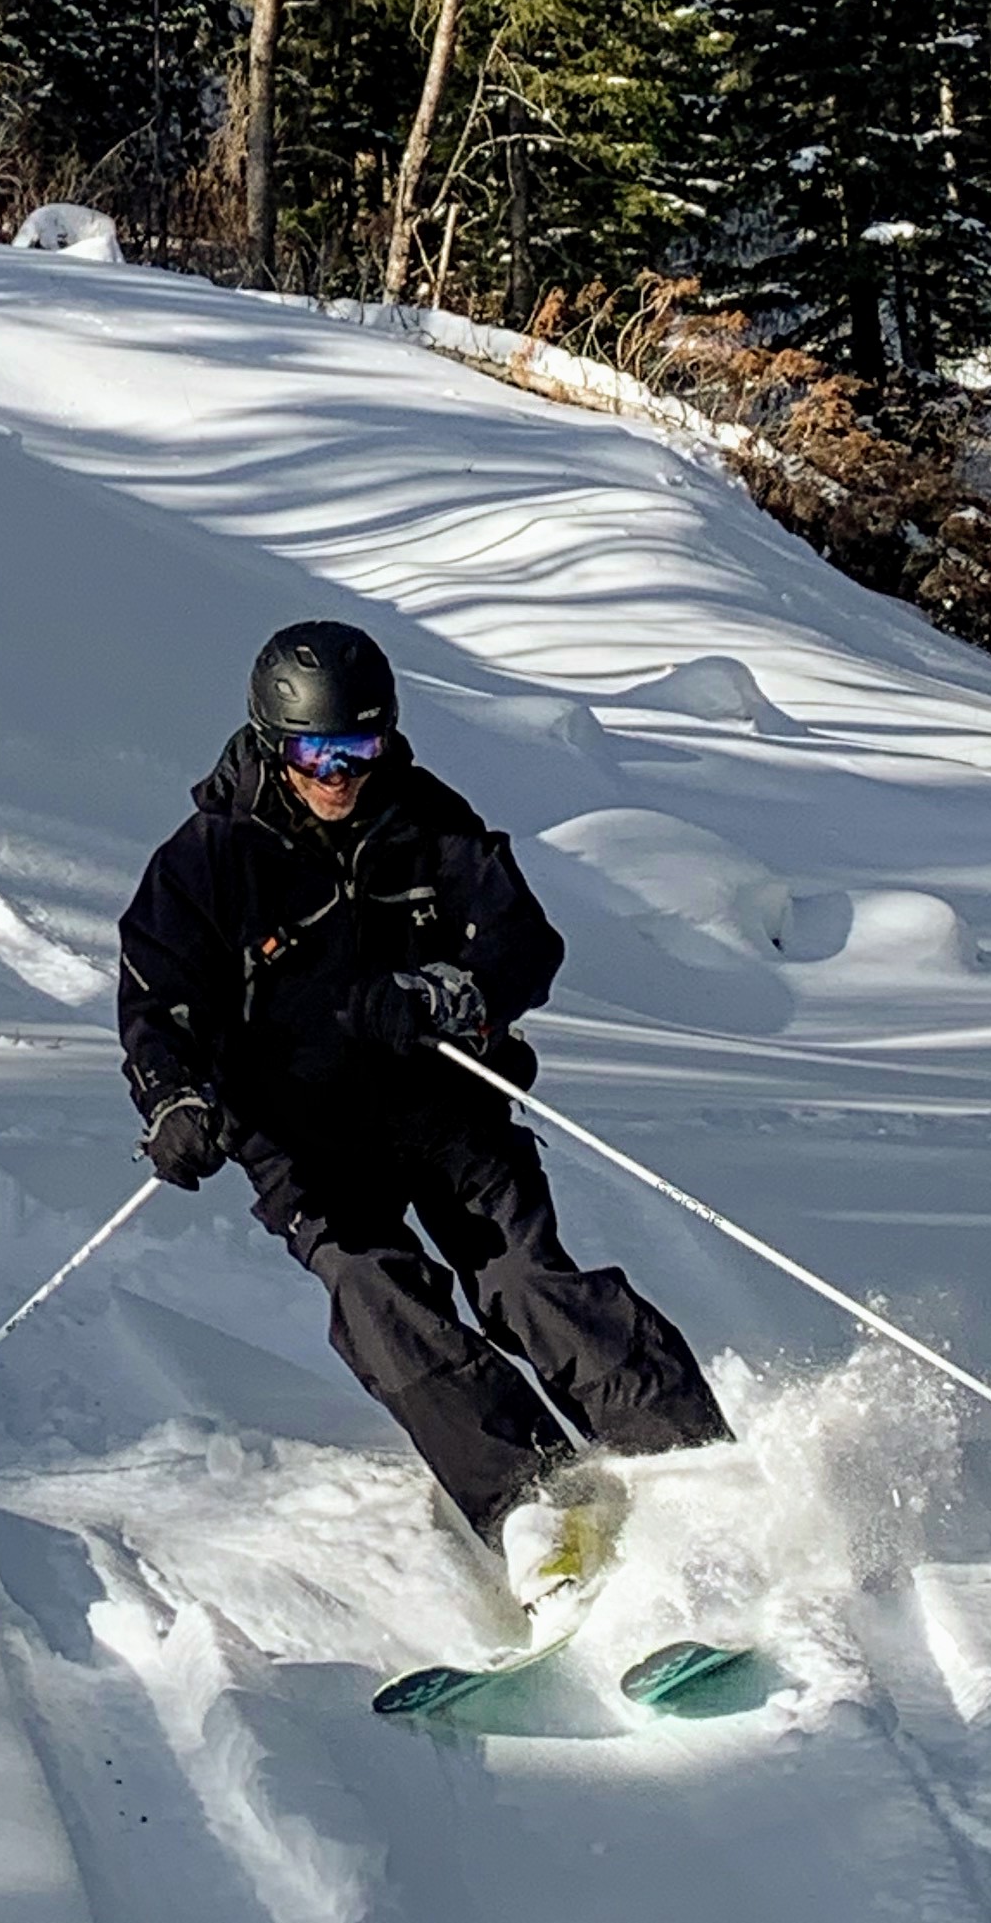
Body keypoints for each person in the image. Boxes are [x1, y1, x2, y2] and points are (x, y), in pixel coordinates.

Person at [117, 616, 730, 1601]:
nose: (342, 774)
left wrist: (452, 993)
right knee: (376, 1295)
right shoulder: (207, 862)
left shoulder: (426, 818)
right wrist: (175, 1099)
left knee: (526, 1280)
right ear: (276, 745)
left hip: (440, 1104)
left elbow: (522, 940)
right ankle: (534, 1498)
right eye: (319, 752)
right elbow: (156, 1002)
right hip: (303, 1140)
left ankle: (690, 1465)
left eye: (362, 748)